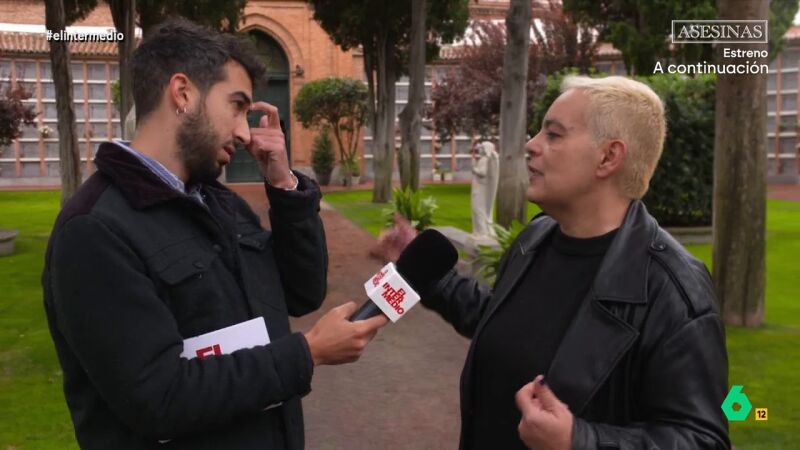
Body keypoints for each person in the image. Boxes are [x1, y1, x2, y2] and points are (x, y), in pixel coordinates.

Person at [42, 18, 386, 449]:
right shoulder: (94, 231)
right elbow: (158, 397)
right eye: (237, 106)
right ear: (183, 93)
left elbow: (300, 293)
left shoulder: (220, 203)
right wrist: (307, 354)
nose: (246, 133)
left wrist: (284, 185)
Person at [383, 76, 730, 449]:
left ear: (609, 157)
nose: (531, 145)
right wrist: (431, 276)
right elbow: (504, 321)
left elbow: (701, 439)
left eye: (554, 134)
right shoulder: (536, 238)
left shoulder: (674, 290)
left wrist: (579, 441)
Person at [470, 141, 499, 239]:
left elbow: (482, 173)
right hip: (479, 187)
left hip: (481, 189)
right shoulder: (484, 159)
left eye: (482, 148)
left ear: (486, 149)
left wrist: (474, 168)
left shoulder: (485, 159)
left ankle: (482, 232)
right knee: (477, 209)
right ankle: (480, 231)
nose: (479, 149)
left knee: (478, 209)